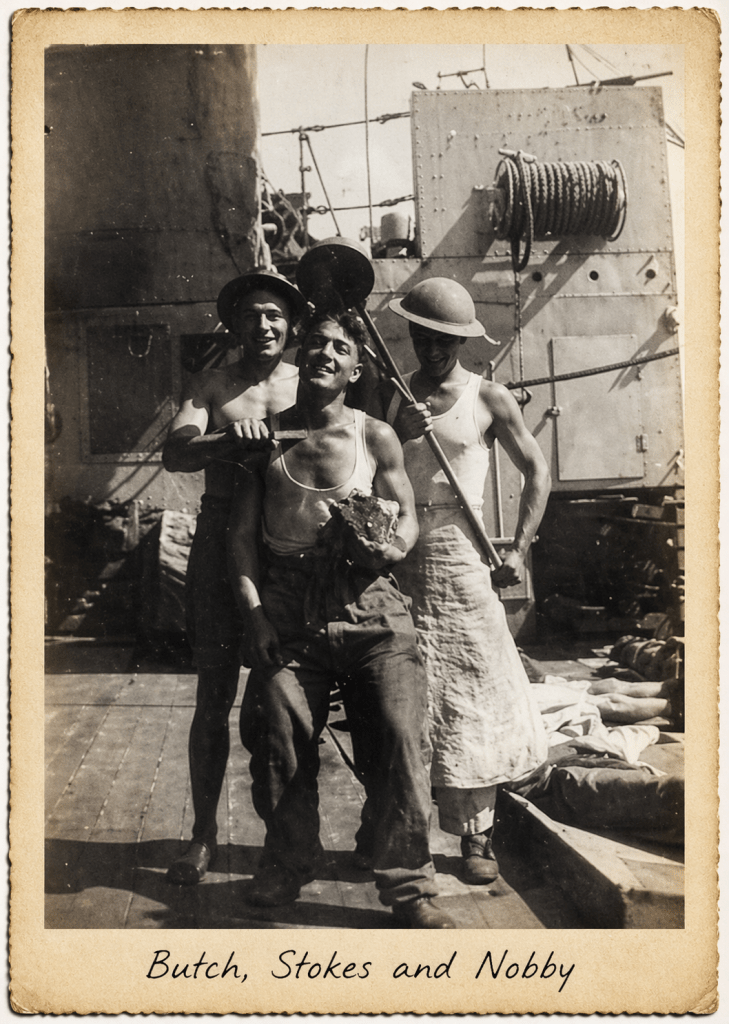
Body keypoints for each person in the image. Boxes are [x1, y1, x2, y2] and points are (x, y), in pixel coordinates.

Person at [227, 307, 456, 928]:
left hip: (370, 602)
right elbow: (241, 540)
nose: (325, 353)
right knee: (276, 737)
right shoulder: (268, 439)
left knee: (400, 736)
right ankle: (287, 863)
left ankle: (410, 887)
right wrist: (255, 617)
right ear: (300, 356)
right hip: (289, 607)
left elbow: (406, 516)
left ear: (355, 370)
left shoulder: (374, 435)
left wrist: (392, 547)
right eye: (316, 344)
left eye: (340, 348)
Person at [383, 277, 551, 885]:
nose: (433, 349)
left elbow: (538, 473)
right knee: (405, 696)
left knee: (473, 694)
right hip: (402, 556)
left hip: (463, 558)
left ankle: (477, 837)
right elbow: (370, 472)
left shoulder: (489, 397)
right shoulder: (393, 398)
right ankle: (401, 833)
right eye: (423, 336)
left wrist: (520, 550)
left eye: (445, 340)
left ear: (462, 341)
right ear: (411, 334)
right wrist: (401, 430)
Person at [162, 267, 307, 885]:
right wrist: (227, 439)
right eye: (251, 315)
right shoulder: (212, 384)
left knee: (296, 698)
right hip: (222, 545)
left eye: (275, 315)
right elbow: (175, 452)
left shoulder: (311, 380)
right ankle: (202, 835)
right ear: (234, 325)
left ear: (291, 325)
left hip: (292, 545)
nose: (263, 325)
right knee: (213, 697)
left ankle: (292, 839)